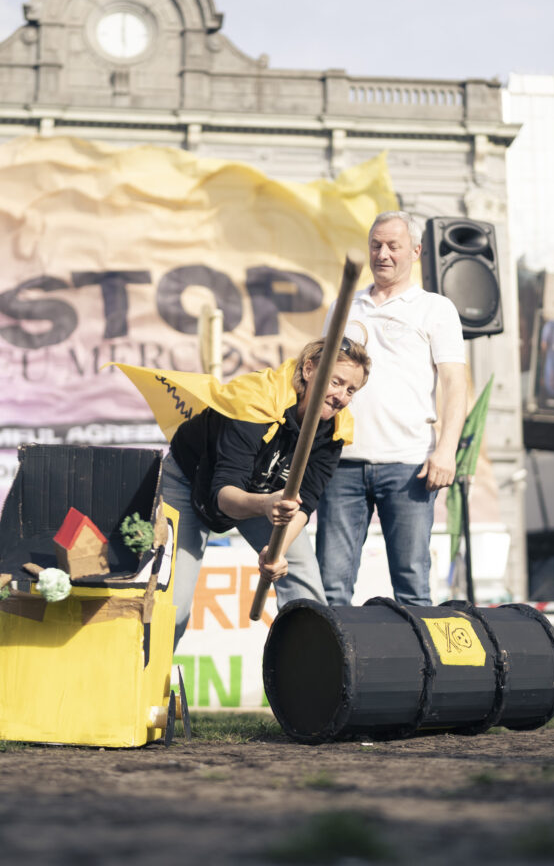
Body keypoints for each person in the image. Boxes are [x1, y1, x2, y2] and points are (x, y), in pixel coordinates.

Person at [163, 338, 370, 648]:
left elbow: (305, 503)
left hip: (262, 493)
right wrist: (265, 504)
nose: (341, 397)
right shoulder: (255, 398)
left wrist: (276, 553)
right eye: (336, 382)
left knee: (303, 579)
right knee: (174, 604)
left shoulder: (336, 430)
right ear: (309, 369)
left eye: (351, 390)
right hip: (190, 481)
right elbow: (224, 495)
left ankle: (312, 668)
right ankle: (151, 676)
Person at [315, 210, 467, 607]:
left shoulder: (435, 308)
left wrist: (446, 450)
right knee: (331, 588)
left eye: (393, 246)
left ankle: (420, 653)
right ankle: (336, 652)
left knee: (413, 587)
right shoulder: (344, 306)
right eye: (376, 245)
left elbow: (455, 385)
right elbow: (321, 378)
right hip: (342, 461)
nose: (382, 254)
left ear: (415, 251)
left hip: (408, 464)